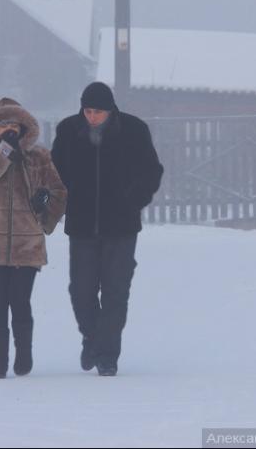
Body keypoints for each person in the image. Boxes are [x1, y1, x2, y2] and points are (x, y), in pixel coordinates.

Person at [51, 82, 164, 376]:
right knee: (81, 291)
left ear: (110, 110)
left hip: (122, 227)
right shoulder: (67, 131)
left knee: (116, 292)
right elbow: (54, 172)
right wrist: (57, 198)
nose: (91, 117)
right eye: (87, 111)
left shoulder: (134, 131)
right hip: (81, 225)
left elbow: (152, 171)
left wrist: (134, 199)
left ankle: (108, 356)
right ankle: (92, 338)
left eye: (97, 112)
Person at [0, 97, 66, 379]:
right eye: (2, 125)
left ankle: (24, 354)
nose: (8, 129)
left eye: (13, 124)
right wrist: (2, 153)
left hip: (28, 243)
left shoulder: (39, 157)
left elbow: (59, 192)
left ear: (22, 126)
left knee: (20, 300)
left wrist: (45, 209)